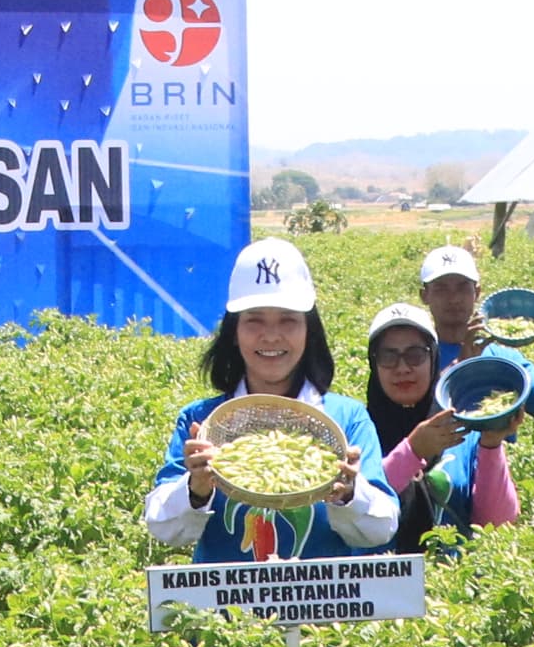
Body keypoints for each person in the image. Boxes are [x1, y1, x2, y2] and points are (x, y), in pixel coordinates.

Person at [145, 237, 393, 562]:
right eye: (254, 320)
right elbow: (163, 527)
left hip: (320, 606)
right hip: (223, 610)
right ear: (234, 332)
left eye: (288, 320)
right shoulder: (201, 422)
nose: (272, 335)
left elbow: (381, 527)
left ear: (309, 330)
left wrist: (349, 493)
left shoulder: (346, 419)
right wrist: (196, 487)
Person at [359, 302, 518, 549]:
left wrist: (491, 444)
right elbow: (356, 513)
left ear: (433, 359)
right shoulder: (358, 431)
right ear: (374, 364)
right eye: (388, 356)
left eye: (415, 355)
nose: (402, 368)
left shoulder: (461, 429)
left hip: (452, 583)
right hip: (382, 583)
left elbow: (497, 523)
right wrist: (412, 451)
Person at [416, 243, 534, 424]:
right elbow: (411, 420)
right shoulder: (415, 357)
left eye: (462, 287)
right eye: (441, 289)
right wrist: (461, 365)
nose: (454, 298)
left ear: (477, 292)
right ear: (424, 296)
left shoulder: (502, 358)